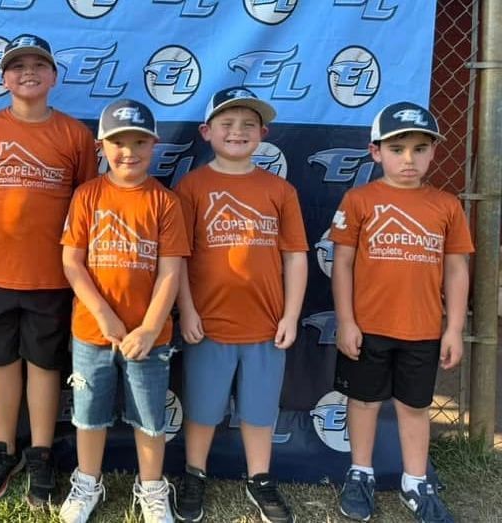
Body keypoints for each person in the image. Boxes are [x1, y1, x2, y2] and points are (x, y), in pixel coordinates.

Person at [0, 34, 97, 505]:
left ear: (55, 76)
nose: (28, 72)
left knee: (44, 363)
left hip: (53, 274)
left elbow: (87, 199)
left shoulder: (76, 134)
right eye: (17, 66)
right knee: (1, 360)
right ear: (4, 78)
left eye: (39, 64)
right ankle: (3, 448)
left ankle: (40, 453)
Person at [331, 102, 472, 523]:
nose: (408, 159)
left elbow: (456, 267)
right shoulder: (359, 199)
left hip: (423, 329)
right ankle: (360, 473)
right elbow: (341, 263)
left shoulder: (446, 205)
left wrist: (454, 328)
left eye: (419, 148)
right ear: (376, 152)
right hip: (369, 326)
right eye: (397, 149)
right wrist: (347, 321)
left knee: (414, 406)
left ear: (433, 152)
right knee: (364, 402)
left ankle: (415, 480)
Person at [173, 87, 308, 523]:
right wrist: (187, 310)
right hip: (209, 323)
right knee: (203, 409)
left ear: (264, 133)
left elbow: (295, 256)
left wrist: (290, 314)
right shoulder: (192, 186)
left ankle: (260, 478)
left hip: (266, 324)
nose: (238, 132)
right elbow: (178, 257)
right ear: (206, 131)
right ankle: (194, 474)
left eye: (249, 124)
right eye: (227, 124)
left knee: (259, 410)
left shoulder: (280, 190)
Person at [57, 99, 187, 523]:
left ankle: (151, 488)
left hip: (150, 337)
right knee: (88, 415)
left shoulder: (165, 203)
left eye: (138, 142)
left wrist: (149, 328)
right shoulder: (87, 195)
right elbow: (72, 262)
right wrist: (103, 315)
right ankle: (87, 482)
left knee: (150, 419)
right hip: (92, 332)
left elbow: (171, 272)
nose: (128, 152)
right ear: (101, 146)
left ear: (154, 145)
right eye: (118, 143)